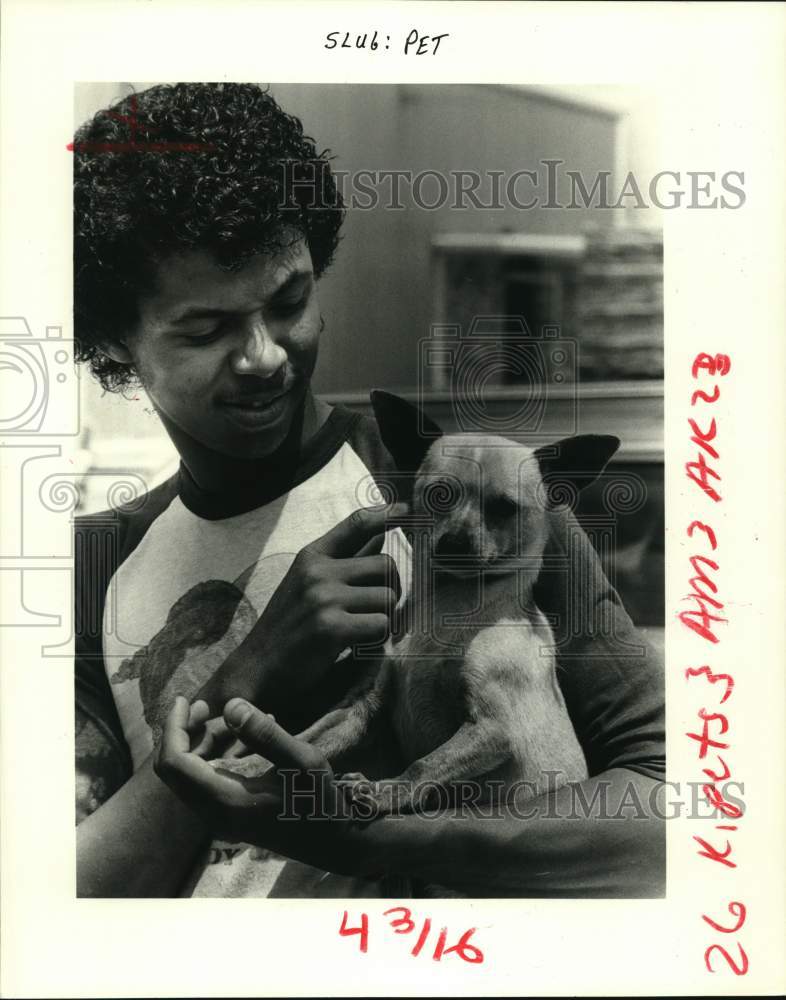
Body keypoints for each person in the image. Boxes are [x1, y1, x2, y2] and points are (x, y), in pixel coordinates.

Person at [74, 81, 665, 898]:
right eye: (207, 329)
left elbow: (665, 813)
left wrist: (382, 837)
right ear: (112, 340)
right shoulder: (95, 562)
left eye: (290, 301)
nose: (265, 356)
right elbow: (59, 895)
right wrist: (252, 669)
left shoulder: (474, 495)